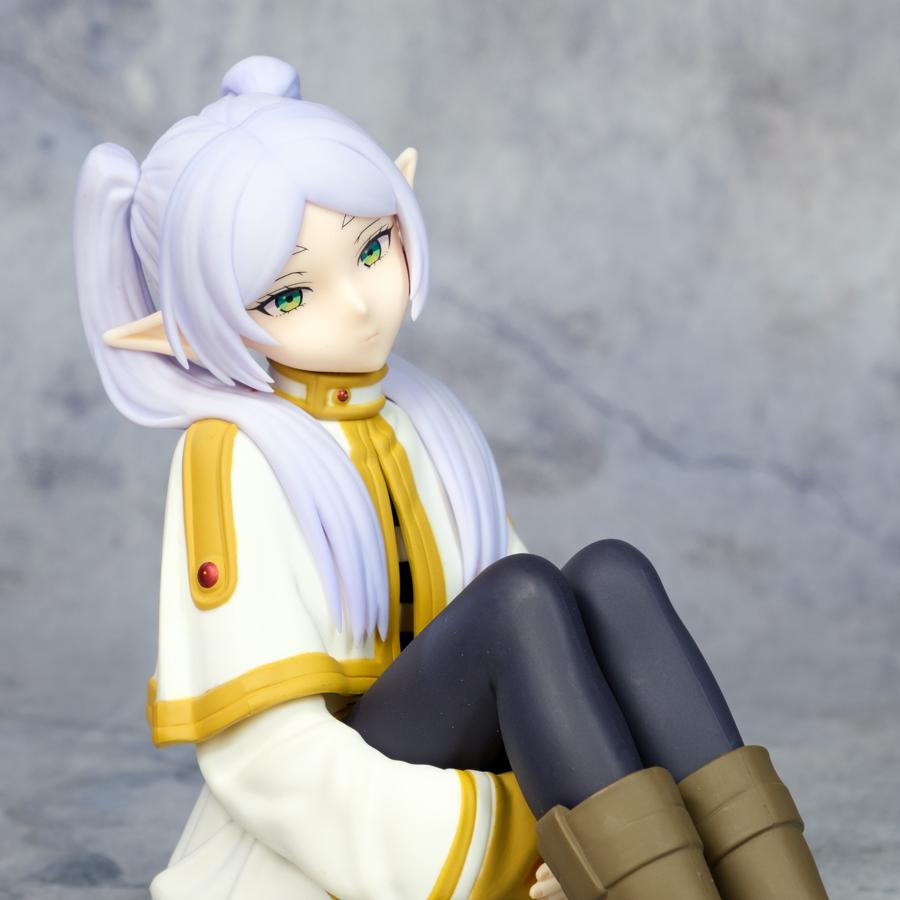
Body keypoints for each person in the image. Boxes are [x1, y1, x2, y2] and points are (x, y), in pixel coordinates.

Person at [73, 55, 828, 900]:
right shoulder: (235, 455)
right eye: (288, 295)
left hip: (459, 746)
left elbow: (550, 671)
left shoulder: (424, 417)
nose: (359, 303)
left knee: (611, 577)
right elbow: (269, 763)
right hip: (350, 832)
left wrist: (600, 809)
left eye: (372, 247)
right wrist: (522, 836)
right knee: (519, 601)